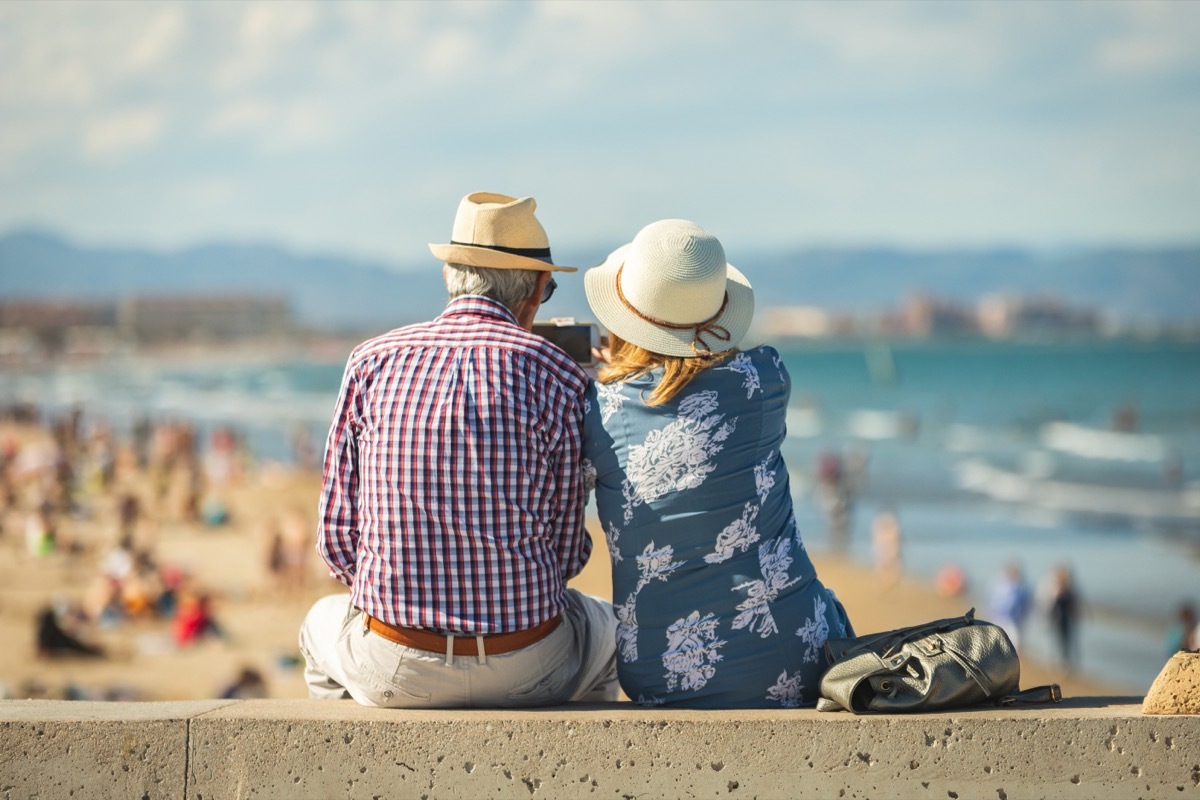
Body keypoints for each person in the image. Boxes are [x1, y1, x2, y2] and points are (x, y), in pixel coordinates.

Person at [299, 191, 618, 708]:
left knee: (319, 624)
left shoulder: (370, 361)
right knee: (606, 630)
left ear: (449, 274)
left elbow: (338, 546)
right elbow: (566, 555)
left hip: (395, 666)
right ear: (536, 290)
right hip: (528, 664)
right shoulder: (558, 376)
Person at [581, 219, 853, 708]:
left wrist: (608, 372)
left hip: (659, 672)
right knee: (827, 605)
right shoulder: (765, 379)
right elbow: (695, 382)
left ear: (625, 316)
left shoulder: (597, 409)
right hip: (792, 656)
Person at [987, 562, 1032, 650]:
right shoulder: (1001, 586)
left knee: (1014, 643)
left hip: (1012, 620)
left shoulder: (1020, 588)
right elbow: (993, 603)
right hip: (1000, 618)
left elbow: (1023, 606)